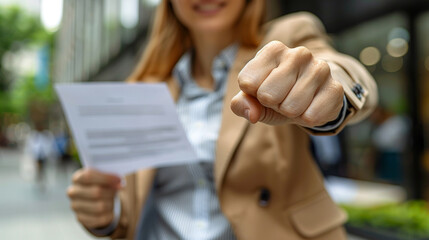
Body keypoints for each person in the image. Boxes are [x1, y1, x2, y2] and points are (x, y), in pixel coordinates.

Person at [67, 0, 377, 239]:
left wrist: (326, 91)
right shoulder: (143, 89)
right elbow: (131, 206)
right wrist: (106, 213)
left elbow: (338, 70)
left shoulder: (286, 39)